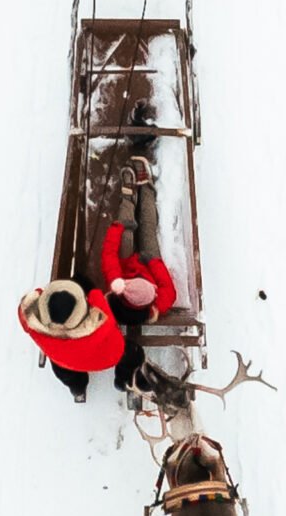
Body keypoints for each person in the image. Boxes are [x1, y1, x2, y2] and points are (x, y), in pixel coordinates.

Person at [101, 155, 178, 395]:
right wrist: (153, 264)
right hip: (147, 263)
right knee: (148, 230)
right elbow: (169, 291)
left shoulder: (120, 289)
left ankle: (127, 196)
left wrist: (117, 228)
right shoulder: (152, 297)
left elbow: (109, 256)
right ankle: (146, 191)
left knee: (125, 231)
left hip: (126, 266)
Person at [18, 273, 124, 401]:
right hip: (100, 358)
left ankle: (78, 390)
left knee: (68, 375)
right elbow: (96, 296)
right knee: (82, 279)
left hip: (62, 359)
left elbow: (28, 304)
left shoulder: (32, 324)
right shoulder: (100, 322)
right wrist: (94, 294)